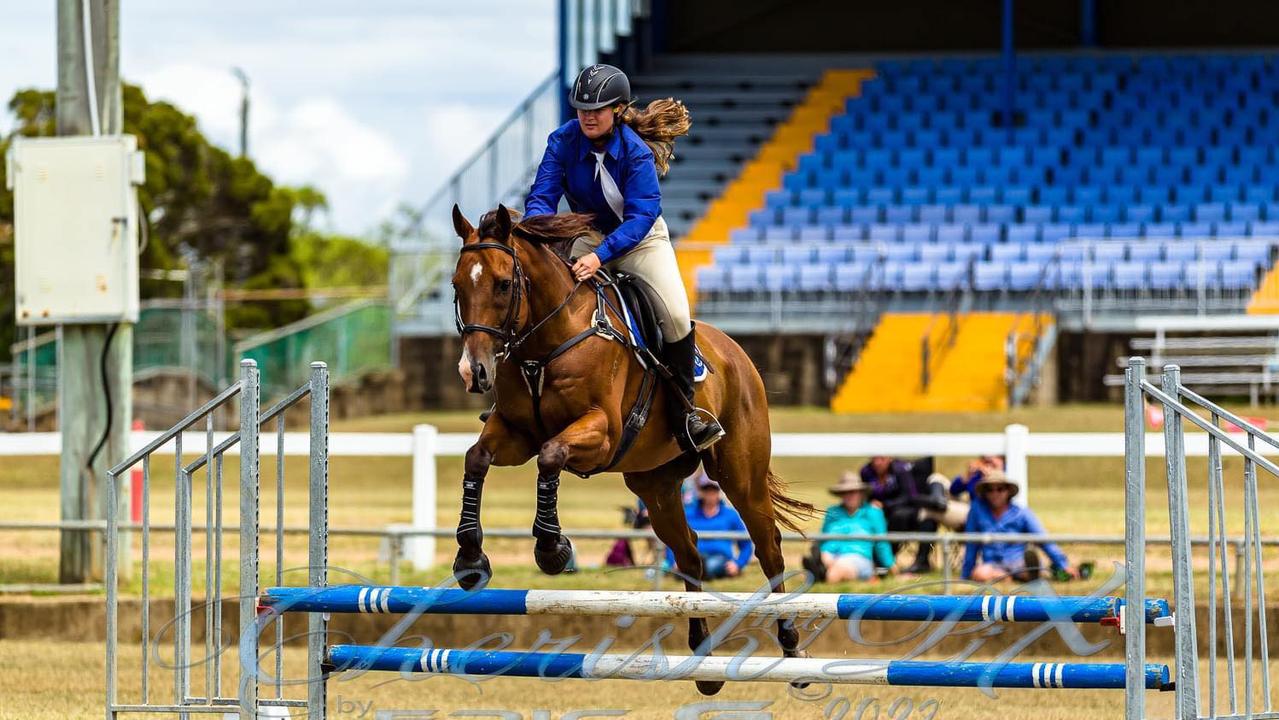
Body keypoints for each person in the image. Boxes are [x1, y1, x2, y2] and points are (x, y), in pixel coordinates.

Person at [523, 63, 724, 452]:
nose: (587, 116)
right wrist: (534, 237)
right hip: (589, 236)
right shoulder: (561, 142)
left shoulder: (635, 151)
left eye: (597, 109)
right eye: (581, 108)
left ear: (617, 109)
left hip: (640, 240)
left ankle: (686, 413)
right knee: (537, 288)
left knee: (677, 315)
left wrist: (600, 257)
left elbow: (642, 215)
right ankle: (517, 397)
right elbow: (543, 197)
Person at [960, 470, 1078, 583]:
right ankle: (1008, 576)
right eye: (990, 490)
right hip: (992, 565)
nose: (995, 494)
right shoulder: (976, 511)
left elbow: (1043, 539)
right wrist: (965, 574)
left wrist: (1063, 565)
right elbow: (971, 543)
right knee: (980, 574)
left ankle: (1029, 573)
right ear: (985, 493)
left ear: (1008, 491)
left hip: (1018, 562)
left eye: (1000, 489)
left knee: (1031, 569)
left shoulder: (1021, 513)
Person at [803, 472, 895, 583]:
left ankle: (821, 575)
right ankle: (821, 571)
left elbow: (882, 543)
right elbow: (823, 538)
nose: (849, 495)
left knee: (838, 569)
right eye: (845, 492)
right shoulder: (833, 512)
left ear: (861, 493)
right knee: (825, 557)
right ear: (841, 494)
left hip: (858, 556)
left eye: (853, 492)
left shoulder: (873, 512)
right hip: (829, 554)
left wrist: (891, 567)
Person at [664, 473, 753, 581]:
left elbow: (746, 543)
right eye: (706, 490)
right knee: (694, 563)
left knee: (712, 564)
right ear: (701, 492)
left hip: (720, 558)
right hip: (694, 556)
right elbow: (673, 540)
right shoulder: (688, 514)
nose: (710, 494)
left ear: (718, 492)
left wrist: (738, 564)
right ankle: (694, 571)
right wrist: (673, 562)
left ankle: (695, 572)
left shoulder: (730, 515)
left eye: (713, 490)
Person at [861, 455, 937, 574]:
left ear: (890, 458)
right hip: (876, 513)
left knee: (908, 518)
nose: (877, 463)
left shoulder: (900, 469)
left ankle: (916, 563)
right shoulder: (866, 472)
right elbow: (864, 495)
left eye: (881, 459)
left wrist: (885, 505)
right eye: (874, 459)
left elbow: (909, 496)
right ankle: (879, 563)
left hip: (903, 511)